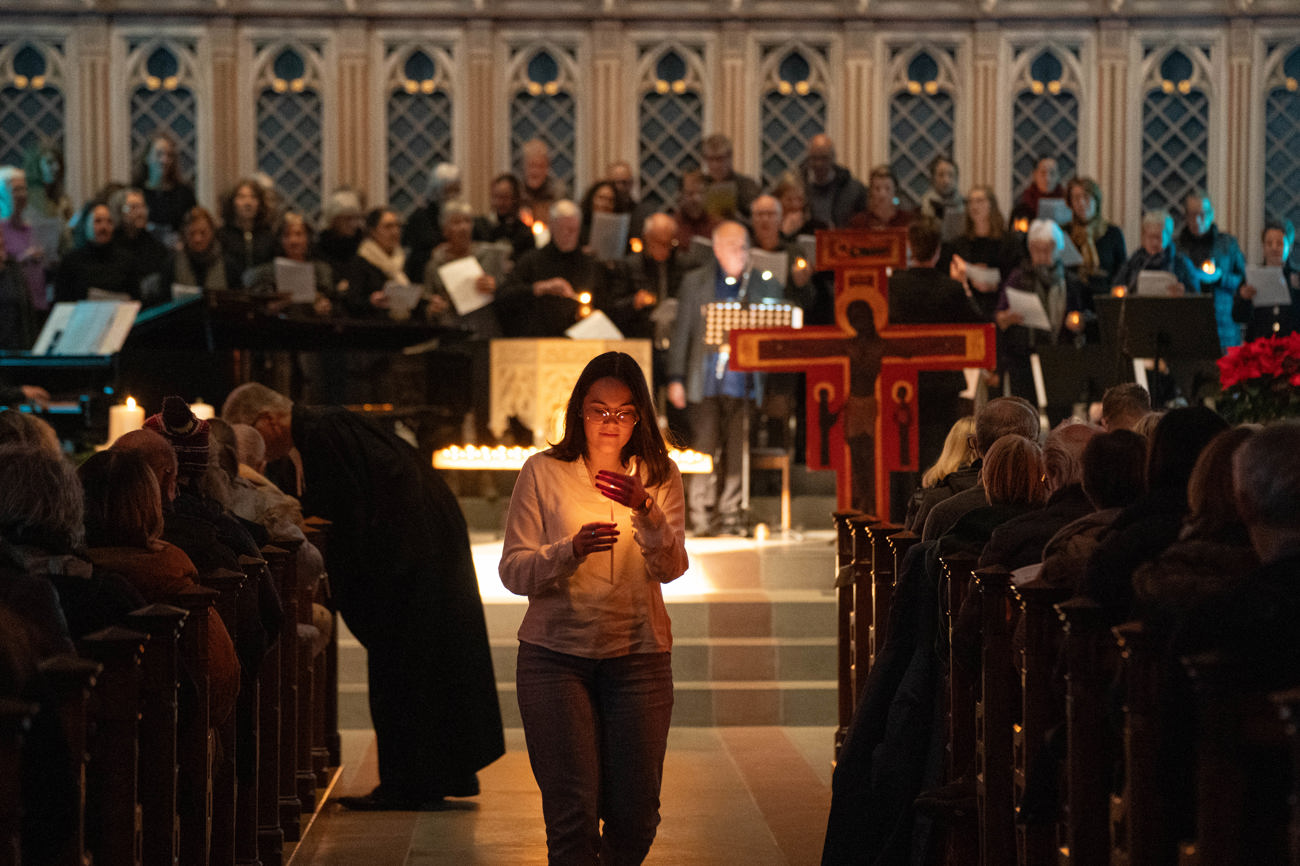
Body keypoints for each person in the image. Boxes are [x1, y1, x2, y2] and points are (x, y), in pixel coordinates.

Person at [221, 382, 503, 809]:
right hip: (420, 548)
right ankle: (437, 774)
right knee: (426, 664)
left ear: (268, 419)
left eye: (255, 435)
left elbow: (346, 511)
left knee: (408, 664)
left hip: (410, 558)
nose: (258, 451)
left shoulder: (323, 433)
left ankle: (410, 783)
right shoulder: (324, 428)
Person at [498, 350, 688, 865]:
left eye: (625, 412)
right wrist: (569, 550)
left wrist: (645, 507)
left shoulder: (660, 474)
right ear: (578, 411)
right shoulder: (543, 472)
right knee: (573, 815)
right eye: (599, 410)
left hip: (639, 655)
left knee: (637, 815)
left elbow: (671, 568)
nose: (611, 423)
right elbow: (512, 571)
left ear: (640, 417)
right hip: (555, 656)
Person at [666, 220, 785, 536]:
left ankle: (731, 513)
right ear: (717, 249)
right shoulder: (696, 282)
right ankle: (700, 513)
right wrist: (675, 377)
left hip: (744, 383)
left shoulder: (760, 283)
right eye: (735, 247)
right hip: (705, 381)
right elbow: (682, 333)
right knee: (704, 448)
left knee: (737, 450)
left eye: (745, 247)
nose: (742, 253)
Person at [888, 215, 987, 467]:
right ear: (938, 251)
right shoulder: (950, 289)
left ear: (909, 247)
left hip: (899, 383)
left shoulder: (891, 287)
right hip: (942, 384)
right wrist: (963, 284)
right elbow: (979, 327)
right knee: (940, 452)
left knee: (902, 450)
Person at [994, 219, 1087, 411]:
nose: (1043, 255)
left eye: (1049, 249)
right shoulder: (1017, 278)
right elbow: (999, 315)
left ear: (1059, 249)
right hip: (1024, 356)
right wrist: (1008, 317)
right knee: (1025, 413)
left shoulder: (1071, 281)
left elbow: (1087, 316)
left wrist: (1078, 321)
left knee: (1060, 415)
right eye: (1037, 249)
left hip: (1059, 357)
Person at [497, 199, 607, 338]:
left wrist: (589, 313)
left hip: (581, 341)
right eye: (562, 229)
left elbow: (605, 304)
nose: (567, 234)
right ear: (552, 228)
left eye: (572, 230)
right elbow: (503, 297)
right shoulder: (532, 260)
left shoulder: (590, 264)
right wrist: (538, 288)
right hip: (540, 340)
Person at [1176, 190, 1249, 350]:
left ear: (1211, 214)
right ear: (1186, 216)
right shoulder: (1177, 247)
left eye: (1202, 214)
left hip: (1223, 324)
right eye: (1192, 215)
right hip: (1188, 324)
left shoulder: (1227, 244)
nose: (1197, 220)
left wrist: (1220, 277)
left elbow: (1244, 281)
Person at [948, 185, 1025, 319]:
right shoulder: (959, 244)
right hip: (969, 308)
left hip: (1000, 306)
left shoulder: (1008, 242)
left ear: (991, 205)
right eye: (970, 202)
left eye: (980, 201)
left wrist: (996, 285)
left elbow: (1017, 274)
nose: (974, 206)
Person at [53, 200, 136, 302]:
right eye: (98, 221)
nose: (104, 227)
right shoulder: (71, 262)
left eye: (109, 222)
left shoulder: (126, 261)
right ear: (87, 225)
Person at [337, 206, 412, 319]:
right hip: (373, 327)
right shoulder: (361, 261)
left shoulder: (402, 259)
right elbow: (352, 302)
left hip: (403, 326)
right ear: (373, 232)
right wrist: (371, 301)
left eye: (397, 226)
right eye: (388, 227)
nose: (395, 232)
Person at [1062, 176, 1126, 297]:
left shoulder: (1112, 233)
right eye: (1076, 198)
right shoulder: (1065, 232)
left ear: (1096, 201)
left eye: (1086, 197)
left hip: (1105, 297)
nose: (1081, 203)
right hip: (1074, 298)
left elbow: (1122, 270)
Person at [1111, 209, 1199, 296]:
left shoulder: (1181, 262)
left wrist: (1183, 293)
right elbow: (1116, 288)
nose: (1154, 242)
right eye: (1150, 237)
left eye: (1158, 237)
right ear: (1143, 236)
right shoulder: (1134, 261)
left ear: (1168, 237)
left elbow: (1196, 297)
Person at [0, 165, 50, 316]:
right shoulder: (1, 230)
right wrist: (22, 260)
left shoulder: (31, 228)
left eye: (24, 189)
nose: (22, 194)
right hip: (12, 308)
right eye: (16, 190)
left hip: (37, 304)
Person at [402, 161, 461, 283]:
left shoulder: (461, 216)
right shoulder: (419, 219)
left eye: (456, 190)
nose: (452, 196)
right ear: (436, 190)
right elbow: (412, 257)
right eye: (448, 191)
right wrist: (435, 252)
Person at [109, 187, 170, 304]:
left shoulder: (156, 247)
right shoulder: (111, 247)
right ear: (119, 212)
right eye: (133, 208)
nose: (140, 213)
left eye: (142, 207)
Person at [133, 132, 197, 237]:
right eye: (159, 154)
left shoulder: (184, 194)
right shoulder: (135, 192)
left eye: (169, 155)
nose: (164, 160)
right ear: (147, 158)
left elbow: (192, 226)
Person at [1246, 219, 1300, 339]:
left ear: (1289, 247)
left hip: (1290, 346)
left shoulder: (1296, 277)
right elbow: (1239, 316)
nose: (1274, 248)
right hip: (1259, 343)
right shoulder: (1253, 276)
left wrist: (1296, 291)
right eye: (1269, 243)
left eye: (1279, 244)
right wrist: (1244, 298)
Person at [217, 178, 276, 285]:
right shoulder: (221, 235)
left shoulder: (268, 236)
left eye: (253, 197)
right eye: (242, 197)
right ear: (232, 202)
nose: (248, 203)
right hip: (229, 295)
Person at [162, 206, 231, 294]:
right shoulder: (171, 264)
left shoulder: (228, 264)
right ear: (184, 234)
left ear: (212, 232)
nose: (197, 239)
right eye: (192, 233)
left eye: (203, 233)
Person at [802, 134, 867, 228]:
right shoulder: (801, 187)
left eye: (824, 158)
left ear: (833, 158)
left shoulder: (853, 190)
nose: (819, 163)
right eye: (814, 158)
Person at [473, 172, 535, 260]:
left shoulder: (524, 234)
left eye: (504, 198)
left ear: (515, 199)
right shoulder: (480, 226)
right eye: (495, 197)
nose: (498, 203)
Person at [700, 133, 761, 220]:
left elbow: (756, 218)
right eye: (710, 159)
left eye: (719, 159)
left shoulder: (747, 185)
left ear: (730, 158)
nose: (715, 165)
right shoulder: (699, 184)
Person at [314, 187, 365, 277]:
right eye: (347, 219)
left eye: (356, 218)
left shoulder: (363, 245)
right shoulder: (320, 248)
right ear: (334, 220)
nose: (353, 224)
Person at [520, 138, 567, 224]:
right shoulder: (516, 192)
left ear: (547, 168)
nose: (535, 171)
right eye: (531, 166)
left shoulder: (559, 192)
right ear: (524, 166)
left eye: (540, 166)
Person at [850, 165, 912, 229]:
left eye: (887, 189)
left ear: (895, 192)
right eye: (877, 189)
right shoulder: (860, 221)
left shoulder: (906, 220)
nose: (882, 195)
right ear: (871, 192)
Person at [918, 155, 964, 240]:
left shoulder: (965, 205)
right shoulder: (922, 209)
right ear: (933, 178)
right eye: (941, 175)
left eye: (950, 175)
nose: (946, 180)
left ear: (956, 178)